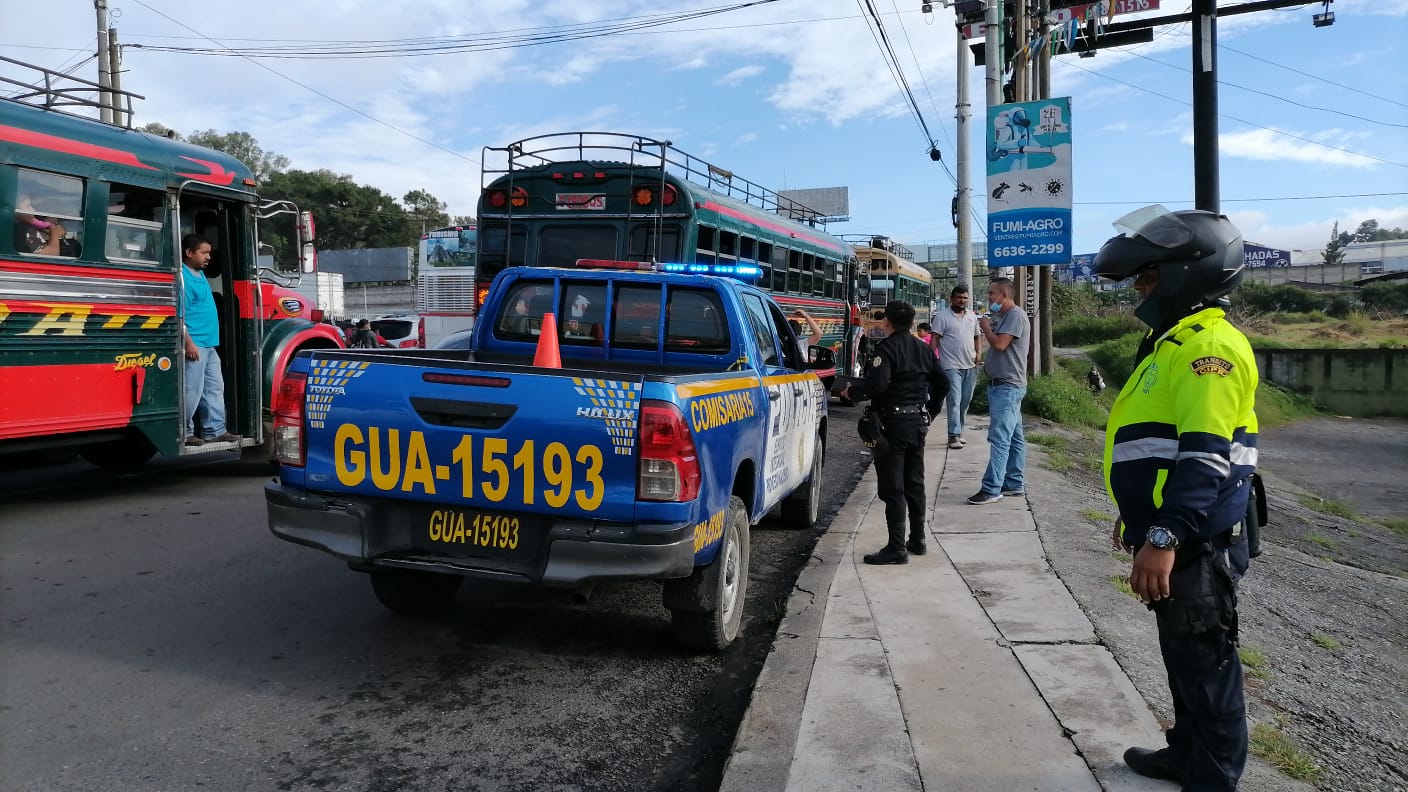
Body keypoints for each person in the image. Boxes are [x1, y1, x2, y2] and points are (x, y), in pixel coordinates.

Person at [1095, 207, 1258, 792]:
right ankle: (1184, 752)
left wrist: (1165, 535)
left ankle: (1214, 778)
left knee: (1207, 662)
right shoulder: (1172, 342)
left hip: (1195, 539)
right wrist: (1136, 515)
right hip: (1173, 530)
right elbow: (1154, 445)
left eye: (1149, 274)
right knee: (1182, 656)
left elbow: (1205, 455)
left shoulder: (1205, 350)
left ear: (1189, 272)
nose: (1140, 286)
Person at [838, 300, 947, 565]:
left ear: (887, 321)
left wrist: (850, 392)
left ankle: (897, 547)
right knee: (915, 483)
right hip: (916, 424)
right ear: (911, 322)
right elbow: (943, 382)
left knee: (892, 487)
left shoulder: (885, 349)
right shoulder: (923, 349)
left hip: (892, 426)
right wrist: (930, 412)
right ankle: (918, 540)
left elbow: (878, 385)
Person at [967, 277, 1030, 505]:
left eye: (992, 294)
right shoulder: (1005, 317)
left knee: (1000, 438)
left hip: (1007, 386)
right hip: (1006, 385)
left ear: (1003, 294)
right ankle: (1013, 482)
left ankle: (992, 488)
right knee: (1014, 437)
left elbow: (1000, 344)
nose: (989, 298)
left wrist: (985, 329)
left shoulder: (1014, 315)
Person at [180, 234, 240, 447]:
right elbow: (180, 314)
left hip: (209, 343)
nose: (208, 257)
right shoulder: (183, 278)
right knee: (192, 390)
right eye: (203, 253)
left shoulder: (198, 273)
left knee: (214, 388)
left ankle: (214, 429)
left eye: (209, 253)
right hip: (195, 343)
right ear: (189, 253)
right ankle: (184, 432)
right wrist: (188, 343)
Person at [931, 284, 982, 450]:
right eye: (959, 297)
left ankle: (959, 431)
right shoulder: (942, 316)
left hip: (970, 365)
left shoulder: (972, 316)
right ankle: (953, 435)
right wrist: (932, 361)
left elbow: (977, 336)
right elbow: (935, 339)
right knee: (954, 401)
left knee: (965, 402)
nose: (962, 300)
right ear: (951, 298)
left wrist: (979, 352)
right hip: (950, 365)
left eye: (965, 298)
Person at [13, 196, 80, 257]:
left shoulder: (20, 227)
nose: (33, 210)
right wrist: (55, 235)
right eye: (28, 206)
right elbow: (50, 256)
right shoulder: (26, 230)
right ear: (16, 209)